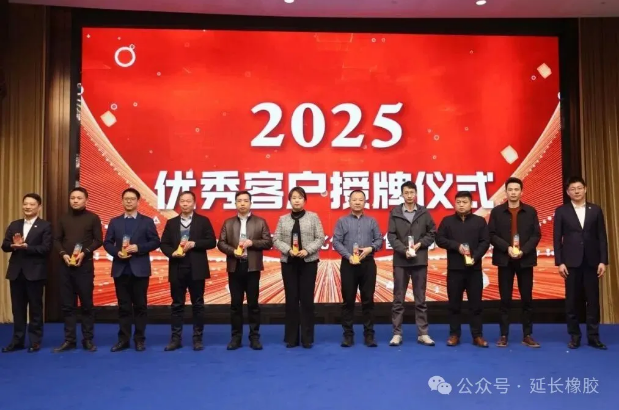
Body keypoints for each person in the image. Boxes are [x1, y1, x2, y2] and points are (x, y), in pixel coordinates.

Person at [553, 176, 608, 350]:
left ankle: (593, 337)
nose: (576, 191)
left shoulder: (595, 210)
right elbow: (557, 239)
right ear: (568, 192)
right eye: (572, 189)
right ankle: (575, 336)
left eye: (579, 188)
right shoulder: (561, 211)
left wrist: (603, 261)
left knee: (593, 301)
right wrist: (560, 262)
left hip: (592, 262)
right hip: (571, 262)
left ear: (585, 189)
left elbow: (602, 237)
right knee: (572, 301)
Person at [103, 188, 160, 352]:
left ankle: (139, 339)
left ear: (138, 202)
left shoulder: (147, 221)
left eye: (132, 199)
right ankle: (123, 339)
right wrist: (117, 253)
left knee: (140, 306)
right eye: (126, 199)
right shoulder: (115, 222)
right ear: (122, 201)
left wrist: (139, 248)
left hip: (140, 269)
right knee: (123, 307)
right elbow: (107, 243)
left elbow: (155, 242)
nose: (129, 201)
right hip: (121, 269)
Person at [160, 191, 217, 351]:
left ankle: (197, 338)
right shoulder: (171, 223)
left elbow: (211, 242)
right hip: (177, 268)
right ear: (179, 203)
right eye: (182, 201)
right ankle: (175, 339)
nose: (185, 204)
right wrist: (172, 253)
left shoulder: (203, 221)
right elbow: (164, 244)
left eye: (188, 201)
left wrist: (195, 244)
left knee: (198, 304)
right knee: (177, 305)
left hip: (196, 269)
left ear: (194, 203)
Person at [488, 177, 541, 348]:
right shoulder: (497, 212)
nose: (513, 192)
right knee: (505, 299)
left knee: (527, 299)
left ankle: (527, 335)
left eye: (516, 189)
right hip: (505, 260)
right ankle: (504, 335)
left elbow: (536, 235)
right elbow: (491, 235)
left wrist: (523, 250)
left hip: (525, 260)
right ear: (506, 192)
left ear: (521, 192)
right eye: (510, 189)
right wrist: (507, 248)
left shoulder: (530, 211)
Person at [217, 191, 273, 350]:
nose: (242, 203)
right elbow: (221, 243)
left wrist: (252, 243)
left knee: (253, 304)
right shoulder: (228, 223)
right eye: (239, 201)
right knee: (235, 304)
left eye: (245, 201)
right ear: (235, 203)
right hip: (235, 266)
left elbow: (268, 242)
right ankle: (236, 338)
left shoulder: (260, 222)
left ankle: (254, 337)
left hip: (252, 266)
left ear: (250, 203)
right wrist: (233, 251)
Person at [436, 191, 490, 347]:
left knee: (476, 305)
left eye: (464, 202)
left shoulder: (479, 221)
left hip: (474, 269)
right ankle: (454, 334)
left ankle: (477, 335)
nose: (461, 205)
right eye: (458, 202)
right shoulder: (447, 221)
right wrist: (456, 246)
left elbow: (485, 241)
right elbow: (439, 239)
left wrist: (475, 256)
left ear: (471, 204)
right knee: (454, 304)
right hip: (455, 269)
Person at [273, 187, 325, 348]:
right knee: (291, 300)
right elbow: (276, 239)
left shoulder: (313, 217)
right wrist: (288, 250)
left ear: (305, 200)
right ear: (289, 200)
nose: (296, 200)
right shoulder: (283, 219)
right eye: (294, 197)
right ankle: (291, 338)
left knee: (307, 300)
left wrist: (307, 250)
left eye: (300, 197)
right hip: (289, 263)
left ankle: (307, 338)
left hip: (308, 263)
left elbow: (320, 238)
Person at [386, 181, 437, 347]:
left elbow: (432, 232)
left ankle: (423, 333)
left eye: (412, 192)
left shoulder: (424, 212)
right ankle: (397, 334)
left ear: (416, 194)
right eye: (406, 193)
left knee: (420, 299)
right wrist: (404, 250)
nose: (409, 196)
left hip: (419, 260)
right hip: (401, 261)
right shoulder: (395, 212)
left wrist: (420, 244)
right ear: (402, 194)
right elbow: (391, 236)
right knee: (398, 299)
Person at [53, 187, 103, 352]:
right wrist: (63, 254)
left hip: (84, 267)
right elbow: (56, 240)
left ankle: (87, 339)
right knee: (68, 305)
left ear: (86, 200)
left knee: (87, 305)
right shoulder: (63, 218)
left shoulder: (93, 218)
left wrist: (84, 253)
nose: (75, 200)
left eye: (79, 198)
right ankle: (70, 340)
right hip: (65, 266)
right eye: (72, 198)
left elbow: (98, 240)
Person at [1, 193, 52, 353]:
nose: (28, 207)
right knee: (17, 309)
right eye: (25, 204)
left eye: (31, 204)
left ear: (39, 207)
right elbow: (4, 245)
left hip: (35, 272)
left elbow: (46, 248)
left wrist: (27, 247)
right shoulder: (15, 224)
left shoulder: (45, 226)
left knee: (35, 308)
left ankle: (35, 341)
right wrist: (13, 246)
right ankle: (17, 341)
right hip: (16, 272)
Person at [333, 190, 383, 348]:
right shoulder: (342, 221)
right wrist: (349, 256)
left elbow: (379, 240)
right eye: (354, 199)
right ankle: (348, 335)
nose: (357, 202)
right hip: (349, 264)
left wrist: (370, 248)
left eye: (360, 200)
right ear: (349, 202)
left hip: (367, 264)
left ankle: (369, 335)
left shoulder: (372, 221)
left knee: (368, 300)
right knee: (348, 301)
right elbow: (336, 242)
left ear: (364, 202)